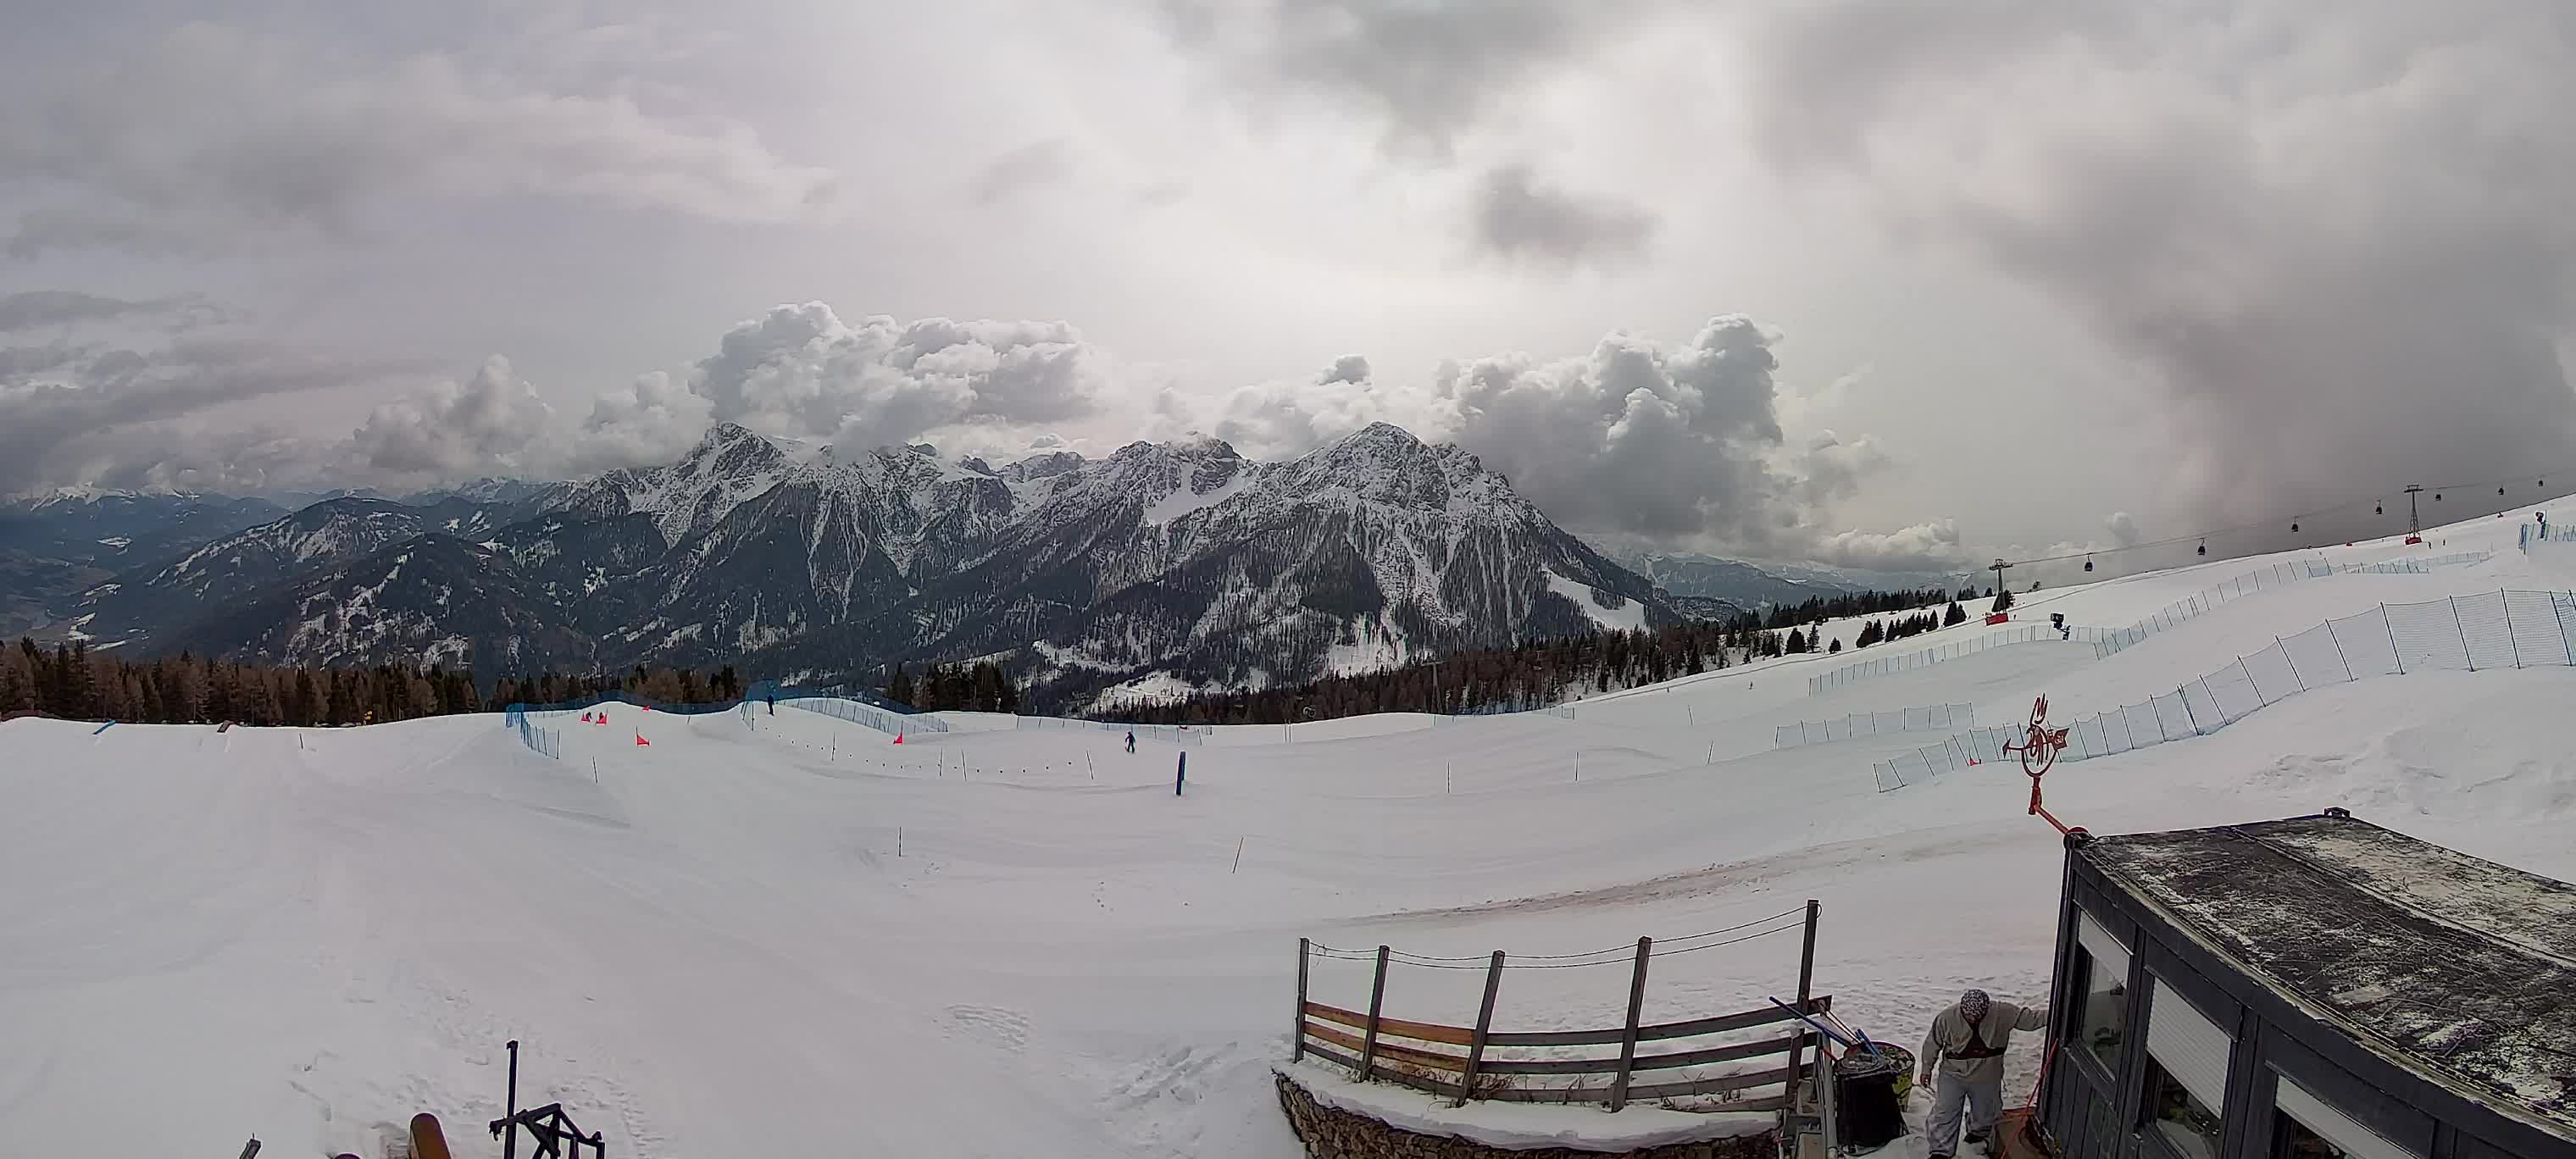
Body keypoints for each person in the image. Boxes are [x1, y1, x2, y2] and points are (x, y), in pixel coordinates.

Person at [1919, 989, 2048, 1158]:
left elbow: (2031, 1019)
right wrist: (1926, 1069)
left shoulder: (2002, 1012)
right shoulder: (1946, 1018)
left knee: (1987, 1111)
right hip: (1953, 1074)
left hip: (1987, 1074)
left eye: (1978, 1016)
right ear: (1962, 1009)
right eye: (1970, 1016)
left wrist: (2057, 1012)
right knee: (1945, 1112)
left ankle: (1978, 1135)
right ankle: (1940, 1151)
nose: (1974, 1019)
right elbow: (1932, 1044)